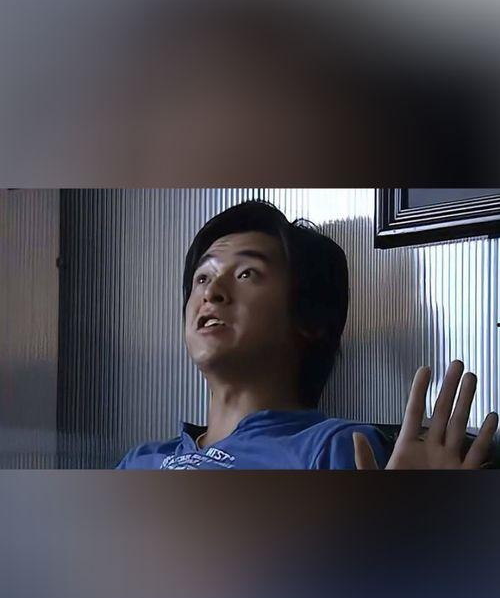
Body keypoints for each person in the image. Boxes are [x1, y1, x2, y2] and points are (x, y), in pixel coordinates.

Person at [117, 200, 498, 470]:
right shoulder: (140, 460)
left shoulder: (335, 448)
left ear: (310, 320)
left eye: (247, 274)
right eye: (203, 277)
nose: (211, 292)